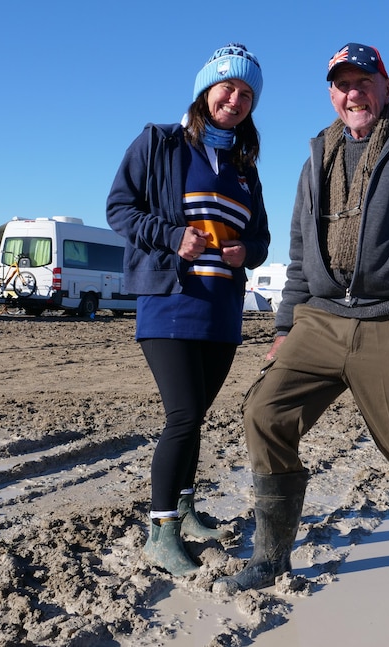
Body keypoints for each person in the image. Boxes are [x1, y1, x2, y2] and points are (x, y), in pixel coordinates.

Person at [214, 42, 389, 594]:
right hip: (320, 318)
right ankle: (271, 556)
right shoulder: (319, 152)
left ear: (386, 85)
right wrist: (285, 326)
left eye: (364, 81)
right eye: (342, 84)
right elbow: (298, 249)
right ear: (332, 94)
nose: (353, 92)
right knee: (265, 411)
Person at [106, 43, 270, 577]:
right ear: (206, 90)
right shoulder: (159, 143)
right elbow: (119, 209)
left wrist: (251, 252)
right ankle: (160, 532)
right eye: (228, 87)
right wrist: (172, 235)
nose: (236, 99)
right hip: (171, 304)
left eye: (247, 93)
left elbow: (261, 238)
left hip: (222, 311)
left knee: (195, 417)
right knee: (181, 417)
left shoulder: (245, 166)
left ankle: (185, 509)